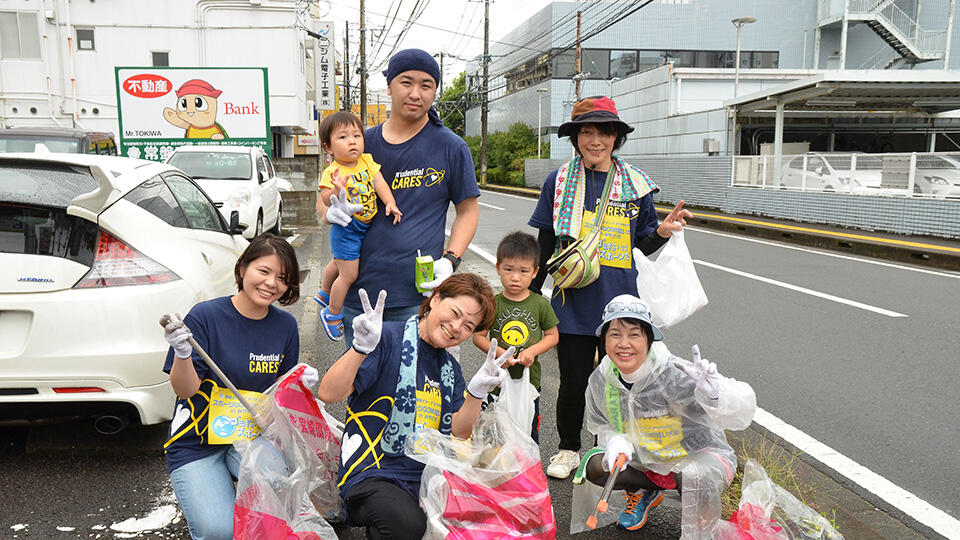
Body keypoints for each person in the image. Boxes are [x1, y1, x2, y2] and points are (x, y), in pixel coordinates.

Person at [527, 95, 694, 479]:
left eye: (604, 132)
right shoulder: (559, 181)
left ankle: (608, 450)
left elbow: (642, 245)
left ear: (616, 137)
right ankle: (568, 449)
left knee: (619, 387)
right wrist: (531, 294)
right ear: (576, 138)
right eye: (587, 132)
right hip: (573, 302)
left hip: (621, 307)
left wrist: (663, 232)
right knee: (573, 384)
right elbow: (546, 241)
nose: (596, 141)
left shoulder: (636, 184)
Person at [315, 273, 516, 539]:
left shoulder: (450, 369)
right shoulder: (384, 338)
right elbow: (329, 393)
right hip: (373, 471)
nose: (456, 327)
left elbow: (458, 432)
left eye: (468, 326)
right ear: (435, 299)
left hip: (426, 475)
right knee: (407, 525)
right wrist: (359, 350)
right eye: (454, 313)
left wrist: (476, 393)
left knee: (488, 516)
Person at [317, 48, 480, 346]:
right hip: (359, 292)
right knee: (363, 373)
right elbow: (324, 195)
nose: (415, 93)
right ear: (389, 86)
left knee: (414, 374)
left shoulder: (451, 146)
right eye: (406, 82)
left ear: (434, 91)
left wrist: (450, 260)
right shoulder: (359, 143)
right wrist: (328, 210)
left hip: (417, 296)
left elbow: (468, 211)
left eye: (426, 85)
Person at [161, 233, 301, 540]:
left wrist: (298, 386)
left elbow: (282, 393)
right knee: (218, 531)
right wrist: (182, 354)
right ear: (242, 268)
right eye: (264, 271)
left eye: (282, 278)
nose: (271, 283)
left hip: (252, 436)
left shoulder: (286, 326)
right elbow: (185, 391)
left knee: (279, 494)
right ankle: (213, 489)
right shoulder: (205, 316)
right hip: (197, 442)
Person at [580, 295, 756, 536]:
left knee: (692, 475)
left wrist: (717, 395)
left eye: (634, 334)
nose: (624, 343)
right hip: (648, 460)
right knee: (596, 466)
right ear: (604, 339)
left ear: (649, 339)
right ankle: (643, 491)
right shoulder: (603, 379)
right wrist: (614, 439)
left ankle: (701, 527)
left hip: (697, 459)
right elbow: (601, 423)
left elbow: (742, 413)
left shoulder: (676, 373)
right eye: (615, 334)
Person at [313, 111, 402, 342]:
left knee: (338, 261)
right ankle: (332, 313)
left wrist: (390, 202)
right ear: (328, 147)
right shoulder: (332, 172)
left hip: (365, 226)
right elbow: (325, 198)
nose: (352, 141)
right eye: (343, 137)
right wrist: (336, 190)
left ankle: (324, 292)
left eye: (356, 135)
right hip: (347, 228)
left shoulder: (366, 161)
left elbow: (379, 182)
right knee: (348, 275)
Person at [472, 231, 559, 441]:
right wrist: (501, 355)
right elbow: (478, 337)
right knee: (495, 432)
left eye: (523, 271)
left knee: (527, 429)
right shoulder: (493, 303)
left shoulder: (540, 304)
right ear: (498, 268)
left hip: (529, 381)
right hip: (496, 380)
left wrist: (533, 351)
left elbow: (552, 335)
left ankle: (527, 462)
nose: (515, 277)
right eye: (508, 269)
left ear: (535, 272)